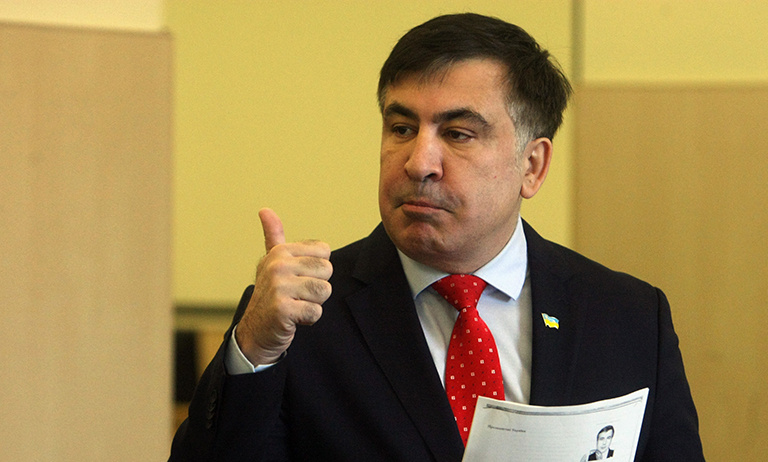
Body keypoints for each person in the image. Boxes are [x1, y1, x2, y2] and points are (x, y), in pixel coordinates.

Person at [169, 13, 704, 461]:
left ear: (532, 166)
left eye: (457, 134)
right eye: (402, 128)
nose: (419, 161)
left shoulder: (627, 318)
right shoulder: (301, 319)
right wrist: (255, 351)